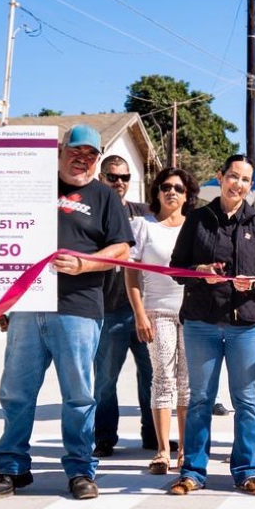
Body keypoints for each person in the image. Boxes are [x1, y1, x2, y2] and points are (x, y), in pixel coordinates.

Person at [0, 124, 133, 501]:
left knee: (79, 395)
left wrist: (84, 264)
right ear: (60, 150)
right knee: (16, 392)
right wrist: (3, 302)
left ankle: (81, 470)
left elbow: (121, 251)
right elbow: (5, 239)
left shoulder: (103, 196)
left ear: (97, 161)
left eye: (90, 155)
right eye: (75, 151)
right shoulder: (32, 186)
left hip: (78, 309)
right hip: (27, 306)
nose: (82, 159)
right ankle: (12, 468)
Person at [167, 155, 255, 497]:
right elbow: (176, 268)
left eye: (245, 180)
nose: (238, 184)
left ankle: (246, 470)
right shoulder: (197, 218)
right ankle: (193, 471)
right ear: (221, 177)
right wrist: (201, 271)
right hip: (201, 322)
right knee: (200, 398)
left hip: (245, 324)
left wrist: (253, 284)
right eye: (233, 176)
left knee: (245, 400)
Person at [125, 166, 197, 475]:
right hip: (156, 311)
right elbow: (131, 273)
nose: (172, 192)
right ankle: (162, 451)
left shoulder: (195, 226)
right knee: (162, 377)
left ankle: (186, 450)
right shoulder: (142, 226)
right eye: (166, 186)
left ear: (187, 195)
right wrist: (139, 312)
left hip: (192, 313)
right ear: (156, 191)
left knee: (187, 383)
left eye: (179, 188)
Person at [93, 155, 155, 457]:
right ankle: (104, 436)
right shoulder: (91, 214)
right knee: (105, 380)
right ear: (101, 178)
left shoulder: (143, 214)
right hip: (108, 310)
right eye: (112, 177)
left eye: (125, 178)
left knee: (152, 375)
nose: (119, 183)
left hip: (144, 310)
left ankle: (153, 434)